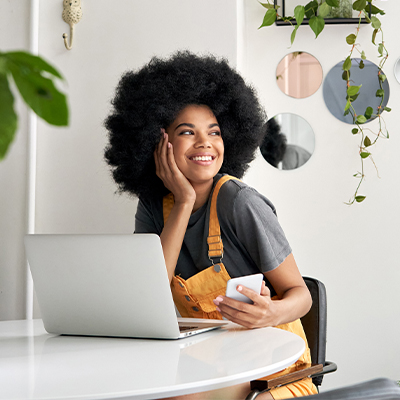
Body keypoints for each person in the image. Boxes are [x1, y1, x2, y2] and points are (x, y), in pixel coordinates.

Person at [104, 51, 317, 400]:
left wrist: (270, 312)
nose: (205, 143)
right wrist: (184, 201)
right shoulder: (154, 206)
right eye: (187, 132)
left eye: (214, 132)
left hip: (276, 369)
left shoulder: (240, 202)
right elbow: (149, 293)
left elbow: (302, 296)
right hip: (210, 363)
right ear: (159, 143)